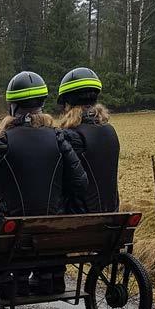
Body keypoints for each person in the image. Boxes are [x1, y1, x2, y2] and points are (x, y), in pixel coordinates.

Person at [0, 71, 88, 296]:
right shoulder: (59, 137)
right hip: (51, 231)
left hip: (12, 233)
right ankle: (52, 277)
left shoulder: (0, 141)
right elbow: (80, 182)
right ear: (42, 104)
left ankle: (4, 279)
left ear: (12, 107)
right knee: (49, 222)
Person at [57, 67, 120, 213]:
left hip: (76, 221)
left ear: (68, 103)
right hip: (111, 216)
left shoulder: (69, 136)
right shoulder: (110, 132)